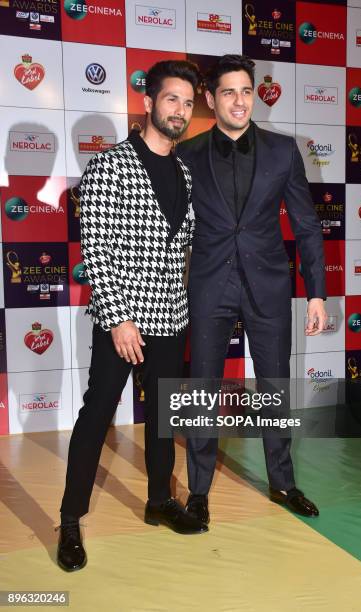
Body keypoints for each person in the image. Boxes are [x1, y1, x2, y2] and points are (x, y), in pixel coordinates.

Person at [57, 59, 207, 573]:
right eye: (172, 100)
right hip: (122, 320)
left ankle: (159, 500)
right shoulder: (109, 166)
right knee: (97, 414)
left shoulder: (185, 171)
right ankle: (71, 519)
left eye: (188, 103)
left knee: (164, 418)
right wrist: (120, 319)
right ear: (148, 103)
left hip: (171, 316)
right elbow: (95, 249)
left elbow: (179, 248)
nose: (180, 111)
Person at [177, 55, 327, 526]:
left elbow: (306, 226)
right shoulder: (188, 154)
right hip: (207, 285)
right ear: (210, 99)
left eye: (246, 91)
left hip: (267, 285)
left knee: (274, 388)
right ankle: (198, 491)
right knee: (201, 391)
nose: (240, 101)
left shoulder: (284, 150)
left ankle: (282, 482)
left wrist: (317, 292)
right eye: (228, 92)